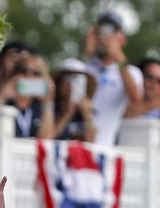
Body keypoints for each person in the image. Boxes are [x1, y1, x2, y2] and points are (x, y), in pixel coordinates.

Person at [83, 11, 143, 145]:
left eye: (112, 31)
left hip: (106, 150)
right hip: (75, 148)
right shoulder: (82, 66)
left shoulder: (132, 72)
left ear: (123, 40)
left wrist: (119, 57)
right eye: (100, 31)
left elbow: (136, 98)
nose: (104, 37)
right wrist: (86, 53)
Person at [0, 53, 56, 139]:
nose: (29, 75)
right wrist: (2, 97)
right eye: (24, 71)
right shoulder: (2, 97)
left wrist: (47, 103)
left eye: (35, 73)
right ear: (14, 73)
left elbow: (46, 138)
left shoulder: (39, 105)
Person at [51, 58, 98, 142]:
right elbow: (48, 137)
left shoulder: (87, 111)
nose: (71, 85)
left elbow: (92, 140)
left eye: (78, 80)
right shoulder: (50, 109)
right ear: (59, 82)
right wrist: (68, 114)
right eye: (67, 79)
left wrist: (87, 115)